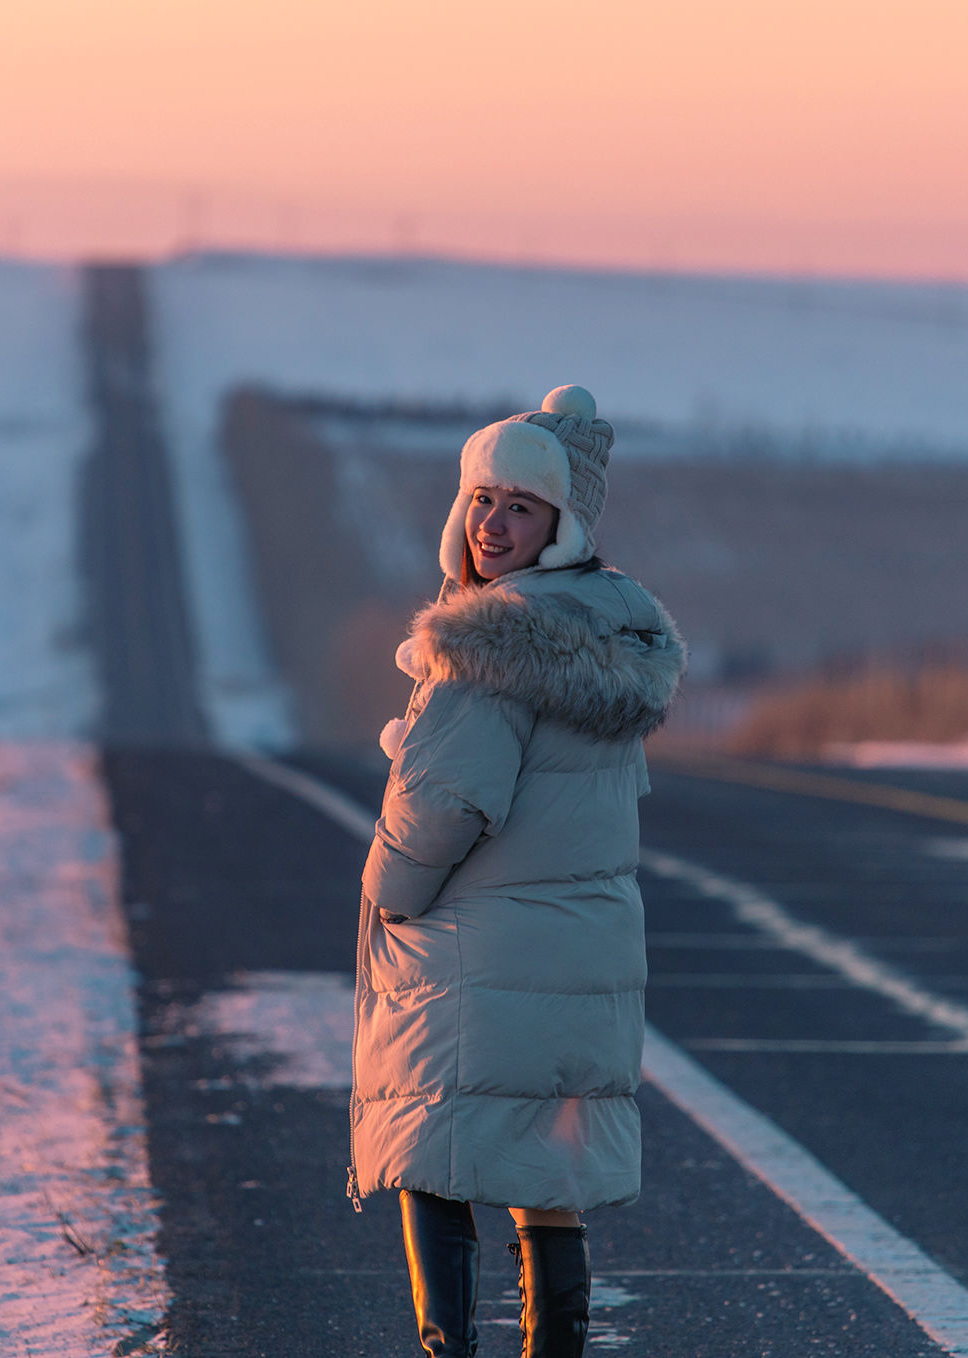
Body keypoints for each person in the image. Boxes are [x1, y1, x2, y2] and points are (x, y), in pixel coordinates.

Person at [350, 385, 686, 1357]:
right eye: (484, 499)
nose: (493, 524)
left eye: (521, 506)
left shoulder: (487, 648)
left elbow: (445, 805)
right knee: (548, 1171)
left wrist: (388, 889)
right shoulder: (606, 635)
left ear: (561, 522)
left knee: (433, 1151)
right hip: (582, 950)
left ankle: (446, 1344)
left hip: (478, 950)